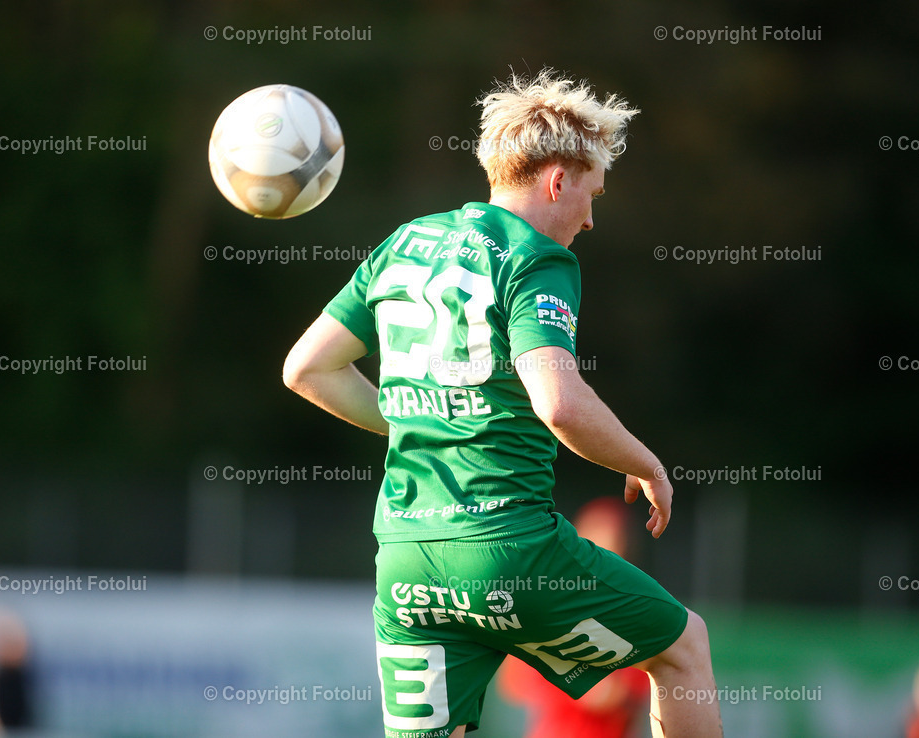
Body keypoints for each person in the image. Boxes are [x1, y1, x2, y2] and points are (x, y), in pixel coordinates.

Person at [283, 67, 722, 738]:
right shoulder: (536, 258)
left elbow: (308, 369)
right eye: (592, 194)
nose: (591, 217)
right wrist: (647, 463)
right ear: (557, 180)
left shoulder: (404, 243)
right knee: (684, 649)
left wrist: (419, 423)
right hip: (509, 552)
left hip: (407, 564)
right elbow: (561, 403)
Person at [497, 496, 652, 738]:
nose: (611, 552)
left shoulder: (637, 612)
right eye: (599, 542)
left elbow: (637, 687)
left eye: (620, 542)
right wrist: (578, 687)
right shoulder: (551, 604)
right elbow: (513, 682)